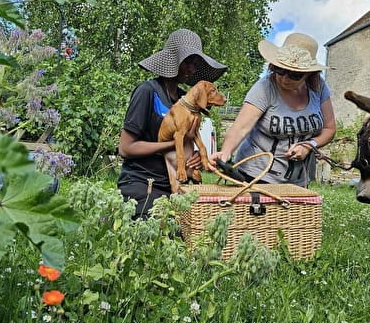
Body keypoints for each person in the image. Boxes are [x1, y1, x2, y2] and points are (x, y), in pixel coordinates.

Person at [118, 28, 227, 218]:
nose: (192, 69)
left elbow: (188, 142)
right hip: (143, 183)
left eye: (195, 64)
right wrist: (173, 144)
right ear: (172, 61)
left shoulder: (187, 100)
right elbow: (126, 148)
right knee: (164, 227)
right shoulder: (147, 92)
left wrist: (193, 156)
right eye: (187, 62)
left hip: (176, 183)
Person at [209, 32, 336, 188]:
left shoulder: (319, 87)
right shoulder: (264, 88)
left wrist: (309, 145)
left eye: (294, 75)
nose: (284, 79)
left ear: (309, 74)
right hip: (254, 177)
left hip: (297, 182)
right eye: (279, 70)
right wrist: (225, 153)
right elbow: (240, 128)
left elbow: (329, 129)